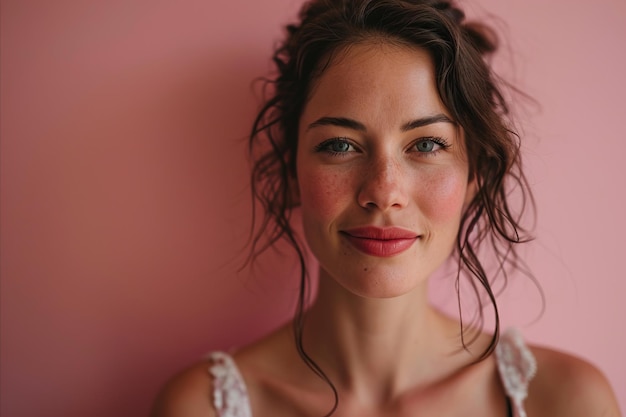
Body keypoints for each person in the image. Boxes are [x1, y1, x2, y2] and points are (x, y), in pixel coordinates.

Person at [151, 1, 621, 416]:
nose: (383, 190)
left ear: (474, 174)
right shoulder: (200, 408)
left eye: (427, 144)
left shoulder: (565, 402)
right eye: (339, 145)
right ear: (292, 170)